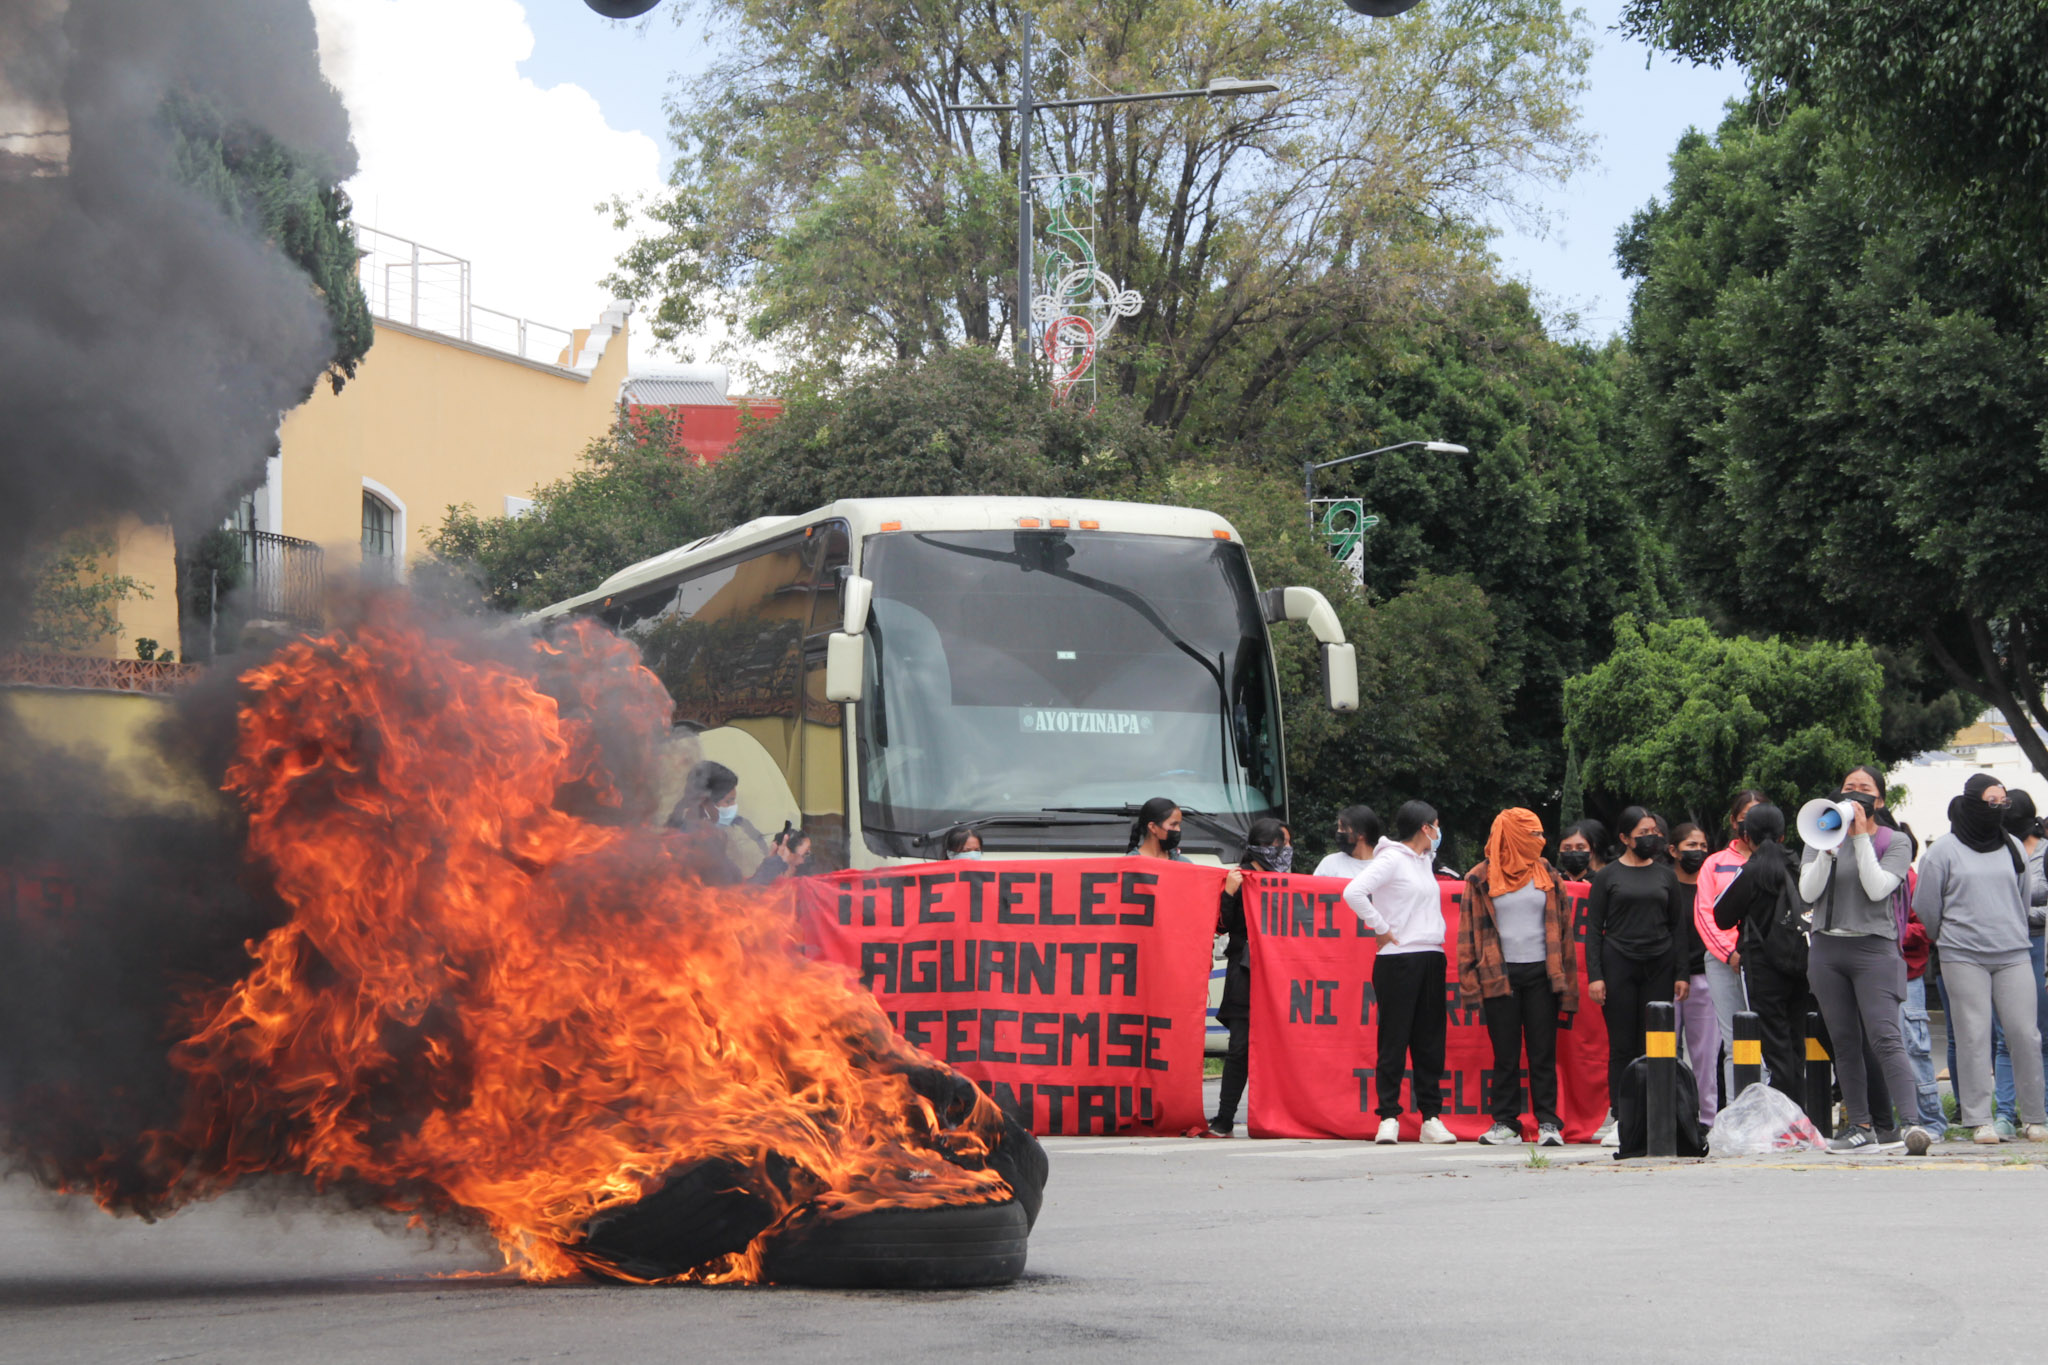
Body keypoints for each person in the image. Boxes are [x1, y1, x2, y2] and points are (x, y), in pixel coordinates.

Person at [1914, 774, 2048, 1144]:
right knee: (1973, 1035)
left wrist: (2012, 931)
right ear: (1972, 803)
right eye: (1992, 801)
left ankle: (2035, 1116)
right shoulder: (1943, 851)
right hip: (1963, 955)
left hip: (2012, 953)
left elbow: (2021, 900)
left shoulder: (2012, 848)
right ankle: (1979, 1119)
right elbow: (1926, 906)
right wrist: (1946, 938)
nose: (2000, 808)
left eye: (2003, 802)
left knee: (2025, 1034)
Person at [1799, 765, 1927, 1152]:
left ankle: (1911, 1124)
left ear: (1879, 800)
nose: (1855, 794)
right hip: (1827, 948)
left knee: (1885, 1037)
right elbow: (1807, 892)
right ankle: (1860, 1125)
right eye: (1848, 788)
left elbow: (1877, 889)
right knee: (1844, 1040)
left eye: (1864, 789)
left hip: (1874, 949)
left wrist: (1858, 840)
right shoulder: (1820, 834)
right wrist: (1827, 849)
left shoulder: (1896, 841)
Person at [1457, 808, 1576, 1147]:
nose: (1542, 840)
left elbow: (1564, 931)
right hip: (1499, 975)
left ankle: (1549, 1123)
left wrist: (1567, 982)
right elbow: (1467, 936)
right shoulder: (1479, 877)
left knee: (1543, 1052)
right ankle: (1506, 1123)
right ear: (1514, 836)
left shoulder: (1549, 874)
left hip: (1543, 972)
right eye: (1534, 834)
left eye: (1541, 834)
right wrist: (1469, 983)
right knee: (1505, 1053)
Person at [1344, 799, 1456, 1145]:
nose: (1439, 833)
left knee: (1430, 1041)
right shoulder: (1391, 858)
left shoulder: (1426, 862)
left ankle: (1431, 1117)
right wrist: (1379, 926)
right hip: (1399, 958)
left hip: (1432, 955)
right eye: (1436, 825)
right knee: (1394, 1038)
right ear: (1425, 828)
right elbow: (1354, 891)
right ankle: (1388, 1116)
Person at [1714, 803, 1807, 1104]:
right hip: (1801, 961)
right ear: (1783, 836)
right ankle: (1804, 1112)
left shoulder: (1750, 871)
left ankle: (1785, 1115)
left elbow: (1722, 917)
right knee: (1797, 1039)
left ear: (1746, 836)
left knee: (1774, 1043)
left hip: (1762, 964)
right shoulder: (1799, 866)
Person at [1207, 818, 1291, 1136]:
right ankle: (1225, 1117)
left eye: (1287, 845)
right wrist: (1230, 893)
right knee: (1240, 1048)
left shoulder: (1288, 883)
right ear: (1260, 847)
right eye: (1278, 845)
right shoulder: (1238, 880)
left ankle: (1280, 1116)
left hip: (1281, 976)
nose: (1285, 851)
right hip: (1245, 975)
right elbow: (1222, 925)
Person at [1697, 789, 1768, 1099]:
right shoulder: (1715, 864)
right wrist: (1729, 954)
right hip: (1726, 962)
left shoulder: (1775, 861)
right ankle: (1740, 1113)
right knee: (1736, 1041)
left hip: (1767, 962)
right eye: (1743, 819)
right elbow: (1704, 915)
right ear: (1733, 821)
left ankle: (1774, 1116)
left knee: (1771, 1041)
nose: (1749, 826)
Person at [1990, 791, 2048, 1136]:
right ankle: (2005, 1113)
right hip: (2004, 946)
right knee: (2004, 1035)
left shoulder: (2044, 852)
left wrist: (2022, 913)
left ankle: (2039, 1109)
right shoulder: (1997, 850)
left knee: (2040, 1033)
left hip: (2039, 944)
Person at [1668, 822, 1718, 1130]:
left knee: (1705, 1056)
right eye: (1690, 846)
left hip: (1705, 978)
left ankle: (1706, 1117)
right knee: (1662, 1052)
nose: (1697, 851)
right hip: (1668, 979)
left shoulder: (1711, 887)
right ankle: (1666, 1112)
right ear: (1673, 850)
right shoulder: (1664, 885)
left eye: (1702, 846)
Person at [666, 760, 767, 883]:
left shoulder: (690, 832)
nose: (734, 807)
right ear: (705, 802)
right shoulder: (697, 844)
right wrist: (773, 865)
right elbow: (733, 891)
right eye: (728, 801)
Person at [1316, 805, 1380, 879]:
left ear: (1361, 834)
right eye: (1338, 828)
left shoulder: (1384, 866)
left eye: (1342, 829)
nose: (1338, 832)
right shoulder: (1330, 863)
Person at [1129, 797, 1186, 861]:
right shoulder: (1127, 865)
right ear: (1153, 827)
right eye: (1173, 824)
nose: (1178, 830)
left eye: (1179, 825)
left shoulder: (1185, 864)